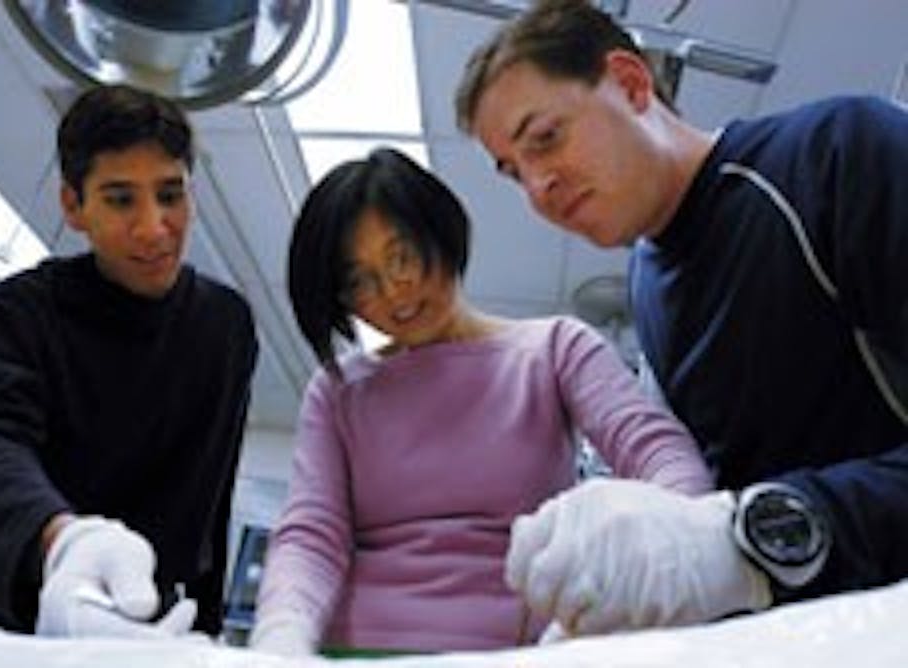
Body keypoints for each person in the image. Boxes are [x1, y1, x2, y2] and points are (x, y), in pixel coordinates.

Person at [454, 0, 908, 639]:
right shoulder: (649, 289)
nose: (538, 190)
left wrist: (749, 541)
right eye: (514, 174)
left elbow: (742, 538)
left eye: (546, 139)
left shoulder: (839, 154)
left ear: (632, 84)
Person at [247, 147, 712, 656]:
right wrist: (281, 633)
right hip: (361, 645)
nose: (394, 292)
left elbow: (657, 452)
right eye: (359, 282)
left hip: (518, 649)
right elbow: (312, 535)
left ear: (440, 231)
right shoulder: (338, 391)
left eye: (402, 256)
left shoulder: (554, 350)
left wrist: (686, 540)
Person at [0, 84, 259, 639]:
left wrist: (207, 625)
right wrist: (63, 542)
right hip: (22, 619)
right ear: (73, 206)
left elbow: (209, 499)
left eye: (171, 194)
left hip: (156, 629)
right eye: (121, 199)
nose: (153, 227)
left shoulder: (226, 326)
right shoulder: (15, 315)